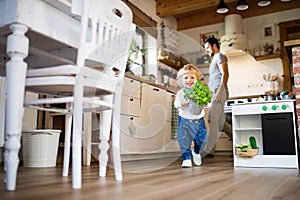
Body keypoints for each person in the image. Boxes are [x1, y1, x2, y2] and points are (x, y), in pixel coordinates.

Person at [174, 64, 208, 167]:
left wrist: (205, 103)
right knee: (184, 140)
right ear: (181, 80)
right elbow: (176, 104)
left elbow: (208, 103)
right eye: (186, 78)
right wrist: (186, 102)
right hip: (184, 119)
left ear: (197, 80)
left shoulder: (200, 91)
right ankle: (186, 158)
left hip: (198, 119)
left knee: (202, 140)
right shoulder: (180, 93)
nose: (189, 80)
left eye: (192, 77)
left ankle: (196, 152)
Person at [202, 36, 229, 157]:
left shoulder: (219, 56)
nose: (206, 50)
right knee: (218, 121)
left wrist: (219, 92)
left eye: (207, 47)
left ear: (214, 46)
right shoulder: (214, 59)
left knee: (213, 119)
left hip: (219, 91)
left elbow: (225, 74)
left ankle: (209, 150)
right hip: (215, 92)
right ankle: (237, 142)